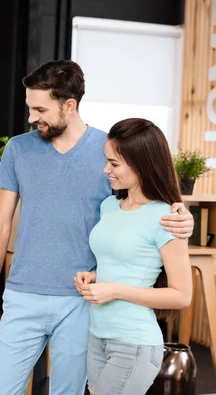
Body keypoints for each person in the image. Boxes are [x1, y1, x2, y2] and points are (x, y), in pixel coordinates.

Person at [0, 60, 194, 395]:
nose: (32, 117)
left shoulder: (112, 151)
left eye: (40, 109)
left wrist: (183, 216)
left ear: (69, 105)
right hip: (22, 295)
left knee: (69, 392)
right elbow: (0, 224)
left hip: (83, 300)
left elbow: (142, 205)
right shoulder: (18, 149)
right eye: (29, 108)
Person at [75, 118, 192, 394]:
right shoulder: (109, 206)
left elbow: (181, 296)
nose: (106, 170)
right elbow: (122, 262)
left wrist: (114, 290)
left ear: (140, 163)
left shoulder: (167, 218)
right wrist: (94, 277)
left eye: (114, 164)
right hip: (98, 336)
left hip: (134, 343)